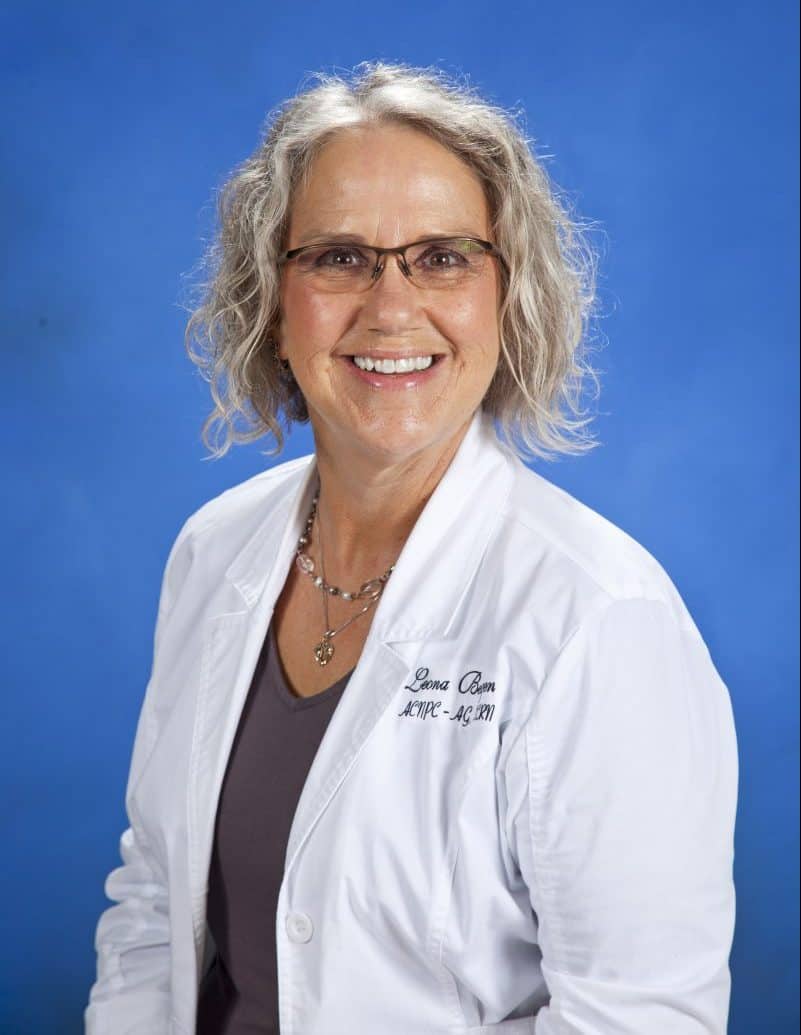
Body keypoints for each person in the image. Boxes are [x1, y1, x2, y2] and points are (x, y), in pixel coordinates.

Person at [85, 62, 738, 1035]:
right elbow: (154, 903)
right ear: (272, 302)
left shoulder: (599, 617)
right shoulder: (213, 551)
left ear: (507, 298)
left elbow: (641, 1019)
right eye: (339, 257)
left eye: (442, 257)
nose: (391, 308)